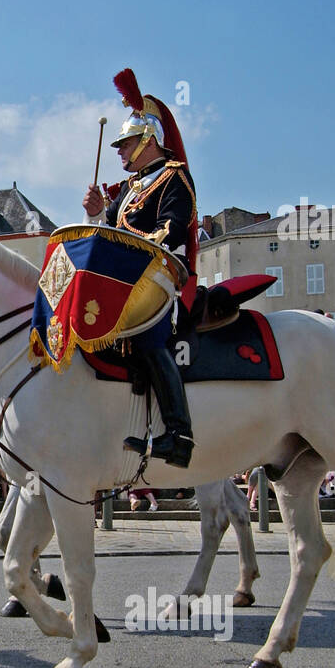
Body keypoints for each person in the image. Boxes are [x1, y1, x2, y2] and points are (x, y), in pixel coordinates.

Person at [83, 69, 196, 467]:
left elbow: (171, 228)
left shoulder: (173, 178)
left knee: (145, 331)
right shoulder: (129, 189)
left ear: (148, 140)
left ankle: (179, 433)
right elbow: (108, 231)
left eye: (124, 142)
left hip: (161, 273)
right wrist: (98, 216)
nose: (118, 150)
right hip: (125, 273)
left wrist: (130, 250)